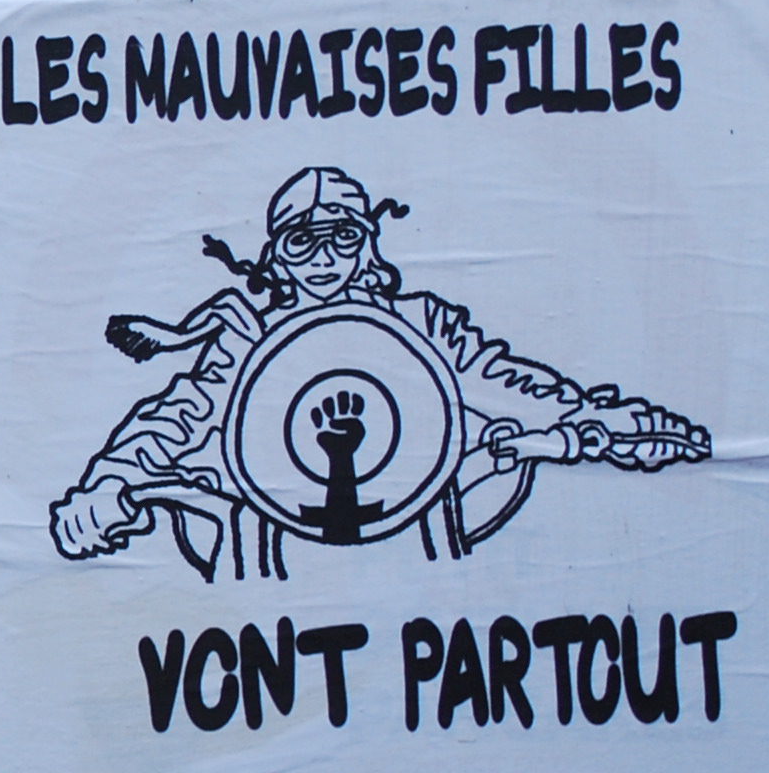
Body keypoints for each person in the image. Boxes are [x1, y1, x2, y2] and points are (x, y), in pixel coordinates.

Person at [51, 165, 707, 564]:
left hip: (423, 547)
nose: (324, 256)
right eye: (303, 240)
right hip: (268, 563)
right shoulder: (246, 343)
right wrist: (108, 484)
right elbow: (175, 420)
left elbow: (510, 387)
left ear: (367, 247)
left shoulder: (422, 325)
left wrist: (601, 421)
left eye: (343, 236)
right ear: (277, 255)